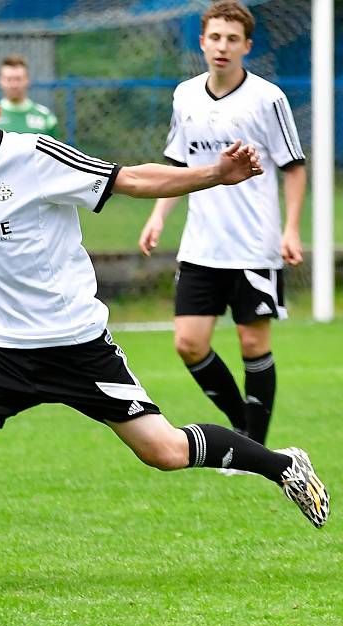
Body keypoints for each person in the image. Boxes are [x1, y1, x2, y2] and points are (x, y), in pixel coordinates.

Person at [0, 68, 328, 601]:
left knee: (164, 451)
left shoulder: (37, 156)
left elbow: (130, 179)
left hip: (76, 345)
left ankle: (283, 464)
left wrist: (213, 175)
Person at [138, 1, 306, 450]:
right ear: (202, 42)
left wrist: (291, 229)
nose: (222, 46)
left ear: (247, 46)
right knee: (189, 343)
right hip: (201, 247)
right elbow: (177, 165)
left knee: (253, 344)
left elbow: (293, 166)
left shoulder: (268, 98)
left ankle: (253, 442)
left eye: (232, 39)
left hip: (255, 246)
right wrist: (157, 217)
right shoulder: (185, 95)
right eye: (215, 37)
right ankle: (243, 428)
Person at [0, 54, 58, 137]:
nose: (14, 85)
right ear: (0, 81)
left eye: (18, 79)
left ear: (27, 80)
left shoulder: (46, 118)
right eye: (9, 79)